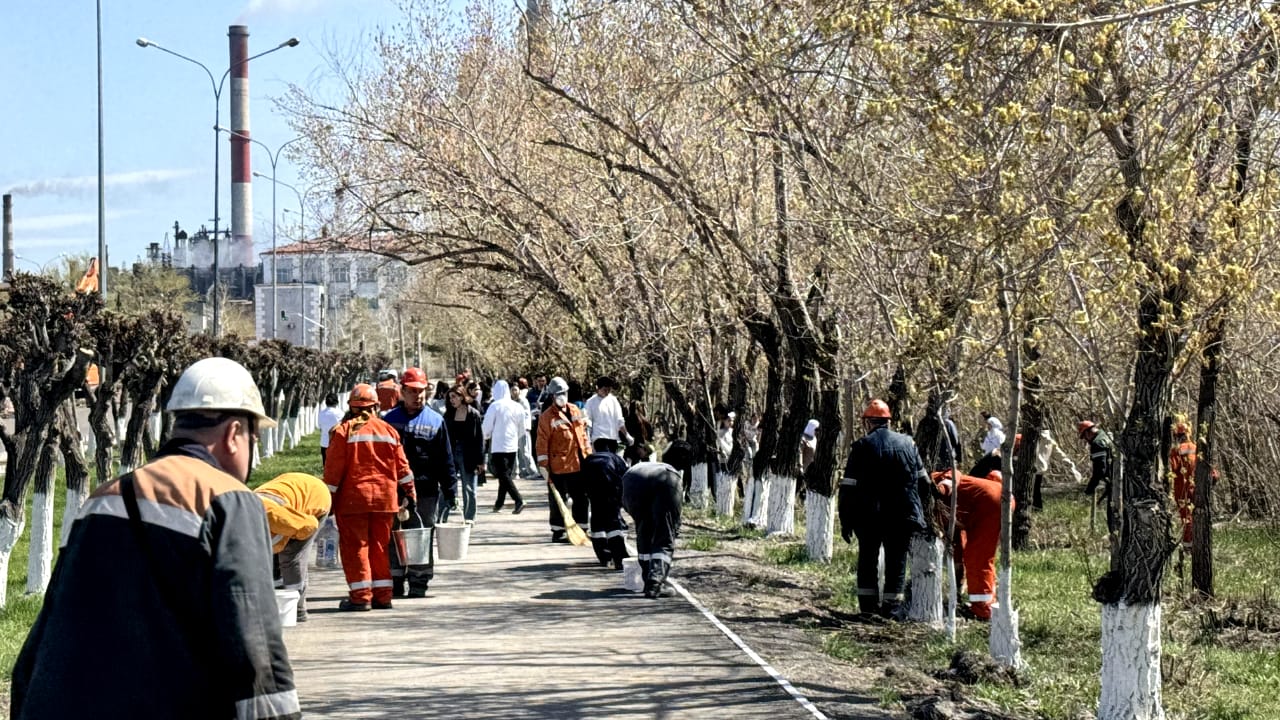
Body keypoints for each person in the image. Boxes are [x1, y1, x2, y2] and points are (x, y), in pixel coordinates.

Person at [11, 357, 300, 719]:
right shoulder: (228, 497)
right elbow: (252, 636)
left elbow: (47, 627)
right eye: (253, 438)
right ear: (233, 434)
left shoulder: (101, 499)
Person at [324, 382, 416, 610]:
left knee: (357, 548)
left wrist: (328, 505)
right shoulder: (389, 431)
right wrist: (411, 493)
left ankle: (361, 597)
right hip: (385, 501)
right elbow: (403, 468)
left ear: (352, 407)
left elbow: (333, 474)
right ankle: (383, 596)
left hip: (353, 501)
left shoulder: (343, 432)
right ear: (376, 406)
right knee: (380, 547)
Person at [838, 399, 929, 618]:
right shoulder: (909, 444)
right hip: (901, 516)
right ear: (888, 421)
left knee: (868, 560)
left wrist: (846, 520)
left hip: (869, 517)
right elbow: (924, 482)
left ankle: (868, 609)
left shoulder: (861, 446)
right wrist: (920, 513)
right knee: (896, 562)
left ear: (868, 422)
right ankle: (892, 609)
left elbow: (848, 488)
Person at [383, 368, 455, 597]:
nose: (418, 396)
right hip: (394, 491)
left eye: (422, 391)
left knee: (421, 535)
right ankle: (395, 578)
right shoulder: (389, 421)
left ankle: (419, 580)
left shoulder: (435, 421)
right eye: (413, 391)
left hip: (425, 491)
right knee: (393, 535)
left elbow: (446, 458)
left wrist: (450, 489)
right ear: (402, 391)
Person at [254, 472, 332, 623]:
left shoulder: (276, 517)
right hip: (288, 489)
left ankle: (298, 609)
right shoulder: (237, 518)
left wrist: (289, 541)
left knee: (291, 558)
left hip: (314, 501)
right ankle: (275, 603)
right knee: (272, 560)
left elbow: (309, 526)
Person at [931, 469, 1007, 620]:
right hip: (984, 503)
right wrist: (957, 585)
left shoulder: (929, 482)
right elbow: (955, 543)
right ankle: (985, 601)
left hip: (989, 501)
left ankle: (983, 609)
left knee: (978, 558)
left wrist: (944, 485)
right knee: (975, 556)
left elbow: (954, 472)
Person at [622, 445, 689, 598]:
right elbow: (673, 518)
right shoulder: (672, 475)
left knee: (644, 530)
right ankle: (655, 583)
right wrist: (673, 529)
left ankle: (647, 578)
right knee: (664, 537)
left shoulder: (646, 465)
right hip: (662, 483)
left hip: (631, 481)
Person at [536, 376, 592, 543]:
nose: (562, 396)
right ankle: (558, 530)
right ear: (552, 396)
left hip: (578, 462)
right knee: (557, 499)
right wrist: (543, 465)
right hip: (558, 465)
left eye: (564, 393)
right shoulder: (547, 417)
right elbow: (542, 441)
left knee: (581, 498)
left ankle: (582, 527)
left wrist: (588, 456)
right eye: (558, 394)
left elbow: (583, 435)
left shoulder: (576, 410)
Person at [580, 438, 631, 567]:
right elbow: (625, 478)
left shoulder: (588, 459)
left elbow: (581, 480)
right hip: (611, 494)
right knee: (613, 525)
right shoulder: (615, 458)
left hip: (594, 495)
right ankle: (619, 559)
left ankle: (604, 557)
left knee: (597, 525)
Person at [483, 378, 527, 514]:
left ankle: (518, 499)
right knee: (505, 475)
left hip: (498, 446)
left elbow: (487, 427)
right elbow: (522, 427)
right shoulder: (517, 406)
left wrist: (485, 436)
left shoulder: (495, 406)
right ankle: (499, 502)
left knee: (502, 475)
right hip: (513, 445)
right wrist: (515, 437)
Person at [446, 383, 486, 521]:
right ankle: (441, 517)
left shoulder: (473, 414)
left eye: (454, 397)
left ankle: (469, 518)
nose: (452, 400)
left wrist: (480, 461)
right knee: (446, 486)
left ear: (462, 397)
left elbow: (479, 438)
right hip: (451, 453)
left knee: (469, 488)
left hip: (468, 454)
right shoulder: (449, 414)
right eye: (450, 397)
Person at [1079, 420, 1117, 532]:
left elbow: (1100, 470)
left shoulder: (1097, 443)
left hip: (1113, 481)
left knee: (1112, 513)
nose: (1086, 440)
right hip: (1121, 478)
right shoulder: (1107, 436)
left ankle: (1114, 537)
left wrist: (1090, 489)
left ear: (1087, 433)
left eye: (1084, 437)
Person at [1170, 421, 1197, 551]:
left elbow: (1172, 468)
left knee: (1187, 517)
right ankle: (1196, 542)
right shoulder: (1196, 448)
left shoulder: (1177, 451)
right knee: (1195, 516)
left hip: (1182, 489)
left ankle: (1188, 546)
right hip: (1196, 487)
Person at [585, 375, 629, 454]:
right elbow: (588, 422)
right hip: (598, 438)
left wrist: (627, 435)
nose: (607, 392)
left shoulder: (613, 400)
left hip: (612, 438)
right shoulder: (591, 402)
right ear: (597, 388)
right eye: (605, 390)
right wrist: (588, 439)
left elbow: (619, 420)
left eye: (609, 390)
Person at [515, 377, 539, 478]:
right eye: (512, 390)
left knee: (525, 450)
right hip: (515, 429)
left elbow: (526, 415)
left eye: (515, 389)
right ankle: (519, 471)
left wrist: (527, 427)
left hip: (523, 428)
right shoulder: (512, 401)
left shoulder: (523, 400)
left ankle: (532, 471)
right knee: (517, 451)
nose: (514, 392)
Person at [623, 399, 655, 465]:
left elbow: (623, 434)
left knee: (628, 465)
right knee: (645, 465)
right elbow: (651, 435)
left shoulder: (627, 420)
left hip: (631, 447)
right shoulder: (644, 420)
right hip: (642, 447)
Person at [318, 391, 343, 466]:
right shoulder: (340, 413)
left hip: (324, 443)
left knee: (326, 466)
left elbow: (320, 427)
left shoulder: (321, 413)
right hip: (337, 444)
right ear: (337, 402)